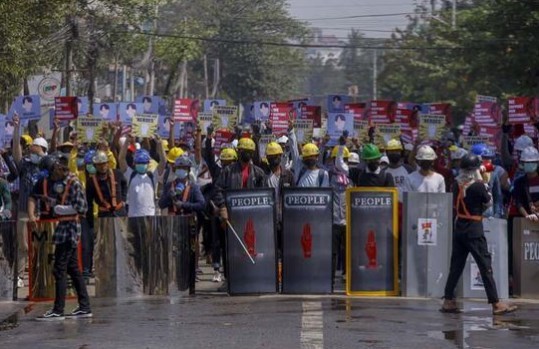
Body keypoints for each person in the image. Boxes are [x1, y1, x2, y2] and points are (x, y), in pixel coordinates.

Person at [441, 154, 517, 315]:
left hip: (459, 228)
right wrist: (485, 181)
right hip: (474, 230)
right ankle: (496, 303)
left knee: (456, 266)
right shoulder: (478, 185)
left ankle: (448, 300)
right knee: (485, 266)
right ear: (476, 170)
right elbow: (488, 202)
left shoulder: (456, 184)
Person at [33, 154, 91, 320]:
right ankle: (85, 306)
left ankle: (58, 309)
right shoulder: (63, 184)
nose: (52, 178)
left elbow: (82, 208)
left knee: (60, 269)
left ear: (59, 168)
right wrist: (51, 202)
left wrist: (59, 209)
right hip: (64, 229)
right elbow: (65, 203)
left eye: (53, 173)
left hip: (69, 231)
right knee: (73, 269)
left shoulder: (74, 183)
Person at [12, 114, 47, 290]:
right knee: (23, 246)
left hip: (42, 214)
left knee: (38, 246)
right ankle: (19, 276)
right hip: (24, 212)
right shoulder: (25, 165)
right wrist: (17, 128)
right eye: (31, 149)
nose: (32, 151)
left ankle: (38, 275)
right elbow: (16, 153)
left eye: (36, 149)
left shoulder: (47, 167)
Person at [85, 151, 127, 219]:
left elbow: (124, 185)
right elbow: (89, 203)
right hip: (104, 215)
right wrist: (90, 219)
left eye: (104, 163)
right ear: (95, 165)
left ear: (107, 163)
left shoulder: (117, 174)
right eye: (99, 164)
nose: (102, 167)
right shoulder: (91, 182)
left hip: (120, 213)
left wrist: (123, 199)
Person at [512, 146, 539, 221]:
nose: (529, 164)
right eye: (527, 162)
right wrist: (527, 216)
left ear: (537, 163)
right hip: (526, 220)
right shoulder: (519, 182)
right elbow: (518, 202)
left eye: (532, 162)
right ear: (523, 164)